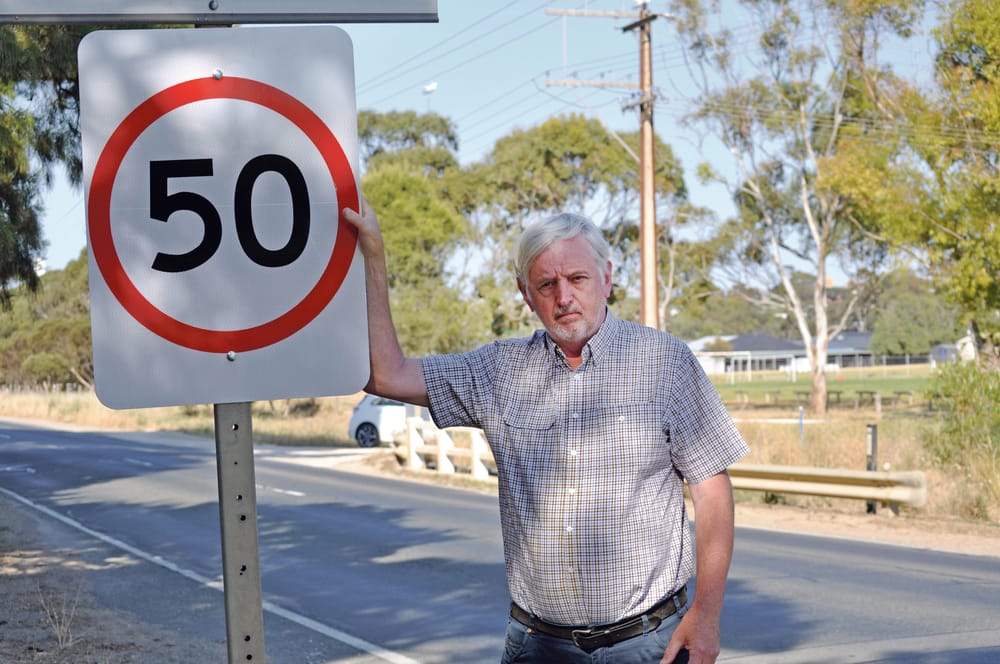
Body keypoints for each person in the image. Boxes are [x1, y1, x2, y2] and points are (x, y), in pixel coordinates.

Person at [343, 198, 749, 664]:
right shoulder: (498, 371)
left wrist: (708, 614)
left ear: (607, 278)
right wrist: (372, 257)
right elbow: (387, 375)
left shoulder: (666, 362)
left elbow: (712, 490)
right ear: (525, 293)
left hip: (651, 643)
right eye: (546, 284)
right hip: (538, 647)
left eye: (577, 279)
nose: (564, 297)